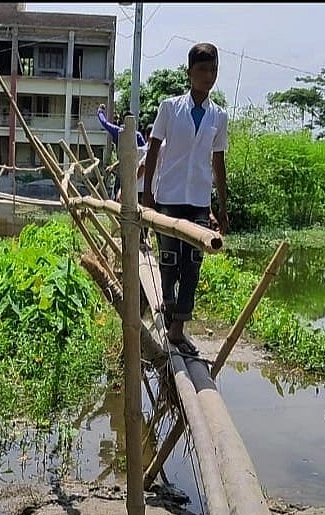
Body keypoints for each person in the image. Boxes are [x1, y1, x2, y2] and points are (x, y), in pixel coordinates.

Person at [142, 42, 229, 356]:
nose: (209, 76)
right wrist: (148, 193)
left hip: (198, 201)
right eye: (203, 70)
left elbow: (218, 162)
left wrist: (222, 206)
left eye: (213, 70)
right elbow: (153, 149)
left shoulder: (218, 116)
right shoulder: (169, 107)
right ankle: (167, 302)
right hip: (169, 195)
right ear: (190, 72)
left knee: (192, 264)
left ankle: (178, 328)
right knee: (169, 261)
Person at [97, 104, 146, 200]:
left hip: (124, 171)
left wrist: (100, 111)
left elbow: (104, 122)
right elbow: (143, 154)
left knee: (118, 197)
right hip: (136, 171)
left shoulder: (118, 132)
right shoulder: (138, 136)